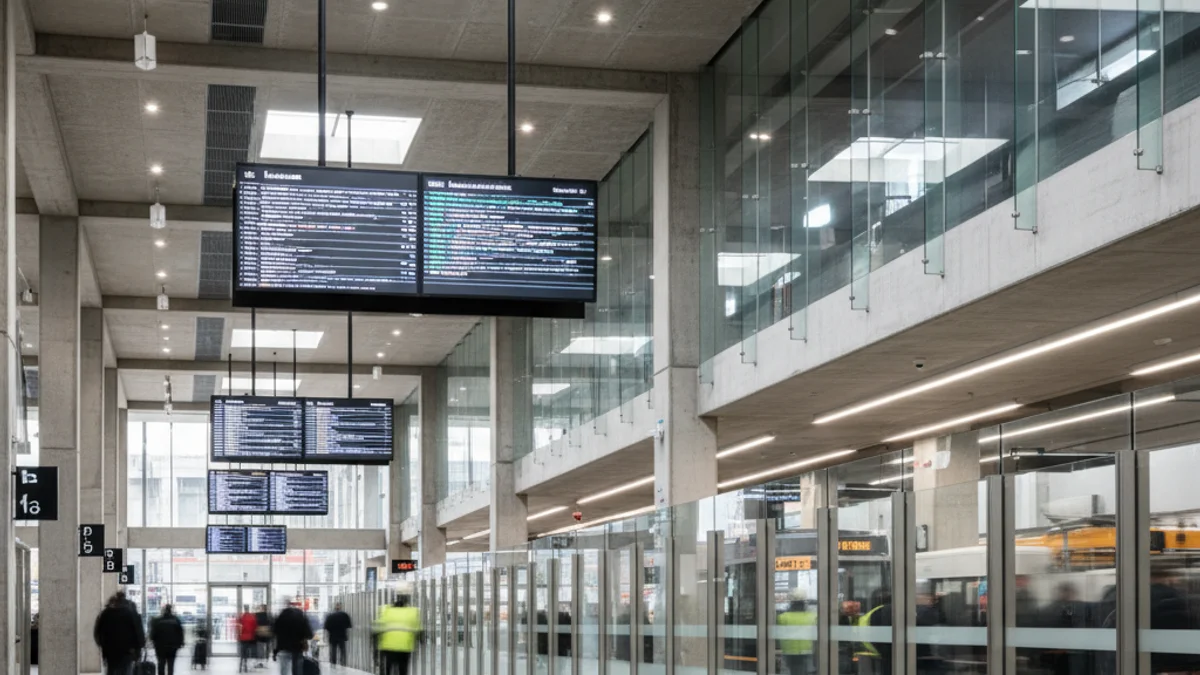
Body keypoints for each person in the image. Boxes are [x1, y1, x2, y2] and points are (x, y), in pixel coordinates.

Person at [94, 591, 146, 675]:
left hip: (110, 650)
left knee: (111, 670)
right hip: (128, 651)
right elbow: (139, 632)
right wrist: (139, 648)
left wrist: (103, 646)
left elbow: (98, 632)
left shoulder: (105, 613)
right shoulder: (131, 613)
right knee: (126, 671)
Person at [374, 589, 422, 675]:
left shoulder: (386, 611)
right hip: (404, 648)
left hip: (388, 647)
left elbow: (377, 629)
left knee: (388, 666)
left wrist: (376, 648)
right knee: (403, 668)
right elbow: (418, 630)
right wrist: (419, 642)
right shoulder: (412, 612)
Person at [777, 588, 816, 675]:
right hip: (807, 652)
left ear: (791, 602)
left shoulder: (782, 617)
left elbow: (779, 635)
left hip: (788, 653)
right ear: (805, 602)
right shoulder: (813, 616)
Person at [272, 599, 313, 675]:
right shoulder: (301, 617)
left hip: (283, 647)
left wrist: (275, 651)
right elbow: (309, 634)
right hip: (297, 647)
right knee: (297, 669)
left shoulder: (281, 617)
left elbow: (274, 632)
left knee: (284, 670)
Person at [149, 605, 185, 675]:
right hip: (172, 647)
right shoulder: (176, 620)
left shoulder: (157, 621)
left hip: (160, 647)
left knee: (161, 664)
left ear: (163, 611)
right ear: (171, 610)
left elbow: (153, 634)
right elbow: (180, 633)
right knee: (171, 664)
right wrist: (180, 643)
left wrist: (153, 641)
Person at [324, 603, 353, 668]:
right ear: (340, 607)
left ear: (335, 607)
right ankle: (343, 664)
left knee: (333, 651)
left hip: (332, 637)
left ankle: (333, 664)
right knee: (342, 651)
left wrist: (331, 631)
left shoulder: (330, 616)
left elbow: (326, 627)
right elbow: (349, 625)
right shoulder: (344, 615)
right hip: (342, 636)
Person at [238, 605, 259, 673]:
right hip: (250, 637)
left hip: (242, 638)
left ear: (244, 609)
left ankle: (243, 663)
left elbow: (239, 627)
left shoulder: (241, 617)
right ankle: (248, 663)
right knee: (250, 649)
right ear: (248, 608)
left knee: (243, 650)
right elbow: (255, 627)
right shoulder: (252, 617)